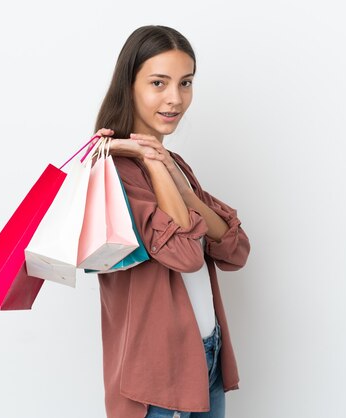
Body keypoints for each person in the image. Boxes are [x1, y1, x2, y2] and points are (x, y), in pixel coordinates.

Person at [92, 25, 251, 418]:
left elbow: (236, 250)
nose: (175, 99)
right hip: (157, 380)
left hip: (207, 357)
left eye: (186, 83)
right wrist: (148, 158)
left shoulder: (175, 165)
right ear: (128, 85)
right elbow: (186, 255)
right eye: (158, 83)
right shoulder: (112, 175)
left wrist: (181, 186)